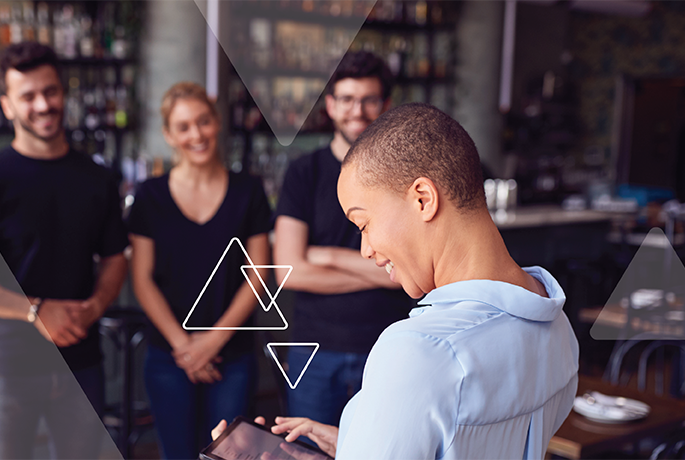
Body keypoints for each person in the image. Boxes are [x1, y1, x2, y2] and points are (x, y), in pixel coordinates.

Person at [214, 103, 579, 459]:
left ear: (423, 199)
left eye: (363, 224)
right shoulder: (557, 325)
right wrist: (359, 442)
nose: (365, 250)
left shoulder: (419, 351)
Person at [0, 42, 128, 460]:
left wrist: (97, 304)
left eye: (50, 92)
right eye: (28, 96)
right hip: (8, 363)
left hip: (82, 359)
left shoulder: (97, 179)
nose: (43, 105)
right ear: (7, 106)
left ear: (63, 93)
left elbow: (115, 259)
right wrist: (36, 310)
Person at [127, 82, 272, 460]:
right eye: (184, 126)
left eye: (203, 122)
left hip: (232, 354)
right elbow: (141, 279)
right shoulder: (150, 196)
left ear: (217, 122)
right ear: (169, 135)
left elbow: (259, 275)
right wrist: (185, 346)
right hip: (168, 356)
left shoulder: (248, 191)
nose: (197, 134)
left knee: (229, 456)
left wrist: (212, 342)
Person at [272, 50, 413, 428]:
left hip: (388, 345)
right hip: (314, 350)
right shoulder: (304, 173)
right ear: (331, 105)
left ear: (385, 106)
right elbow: (289, 273)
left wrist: (325, 255)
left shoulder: (405, 176)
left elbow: (411, 276)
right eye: (347, 99)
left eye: (369, 100)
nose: (358, 110)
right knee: (305, 453)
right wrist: (384, 275)